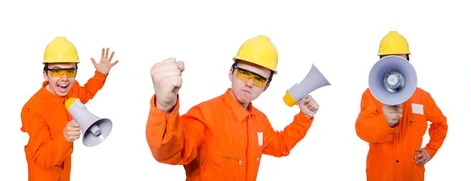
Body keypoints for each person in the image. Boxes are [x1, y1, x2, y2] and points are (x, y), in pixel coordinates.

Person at [145, 35, 321, 181]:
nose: (249, 83)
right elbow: (169, 153)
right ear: (231, 73)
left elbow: (280, 145)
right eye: (244, 73)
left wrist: (304, 117)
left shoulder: (259, 120)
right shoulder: (204, 115)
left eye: (259, 79)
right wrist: (165, 107)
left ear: (266, 87)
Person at [20, 36, 119, 181]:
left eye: (70, 71)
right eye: (57, 71)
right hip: (43, 175)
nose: (65, 78)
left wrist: (101, 74)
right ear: (45, 74)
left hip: (64, 169)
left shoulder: (70, 90)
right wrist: (64, 138)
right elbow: (42, 159)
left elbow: (86, 93)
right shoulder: (34, 110)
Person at [355, 31, 449, 181]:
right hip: (380, 175)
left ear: (408, 63)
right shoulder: (371, 95)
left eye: (400, 61)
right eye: (389, 60)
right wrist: (384, 121)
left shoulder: (422, 97)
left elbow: (441, 124)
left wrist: (430, 150)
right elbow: (362, 131)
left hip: (411, 174)